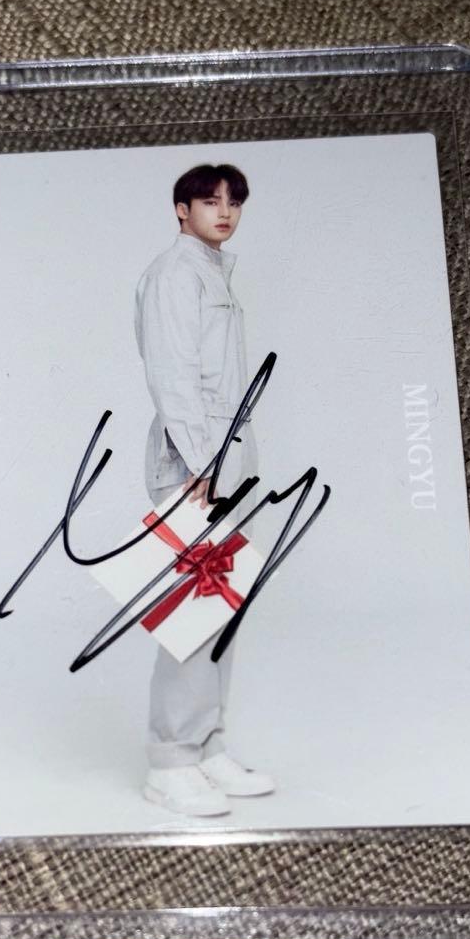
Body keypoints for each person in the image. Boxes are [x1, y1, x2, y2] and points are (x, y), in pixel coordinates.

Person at [133, 163, 275, 817]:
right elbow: (172, 374)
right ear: (180, 210)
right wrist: (200, 462)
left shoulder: (214, 273)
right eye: (210, 201)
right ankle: (171, 762)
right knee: (192, 611)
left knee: (222, 605)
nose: (225, 211)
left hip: (226, 459)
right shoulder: (174, 274)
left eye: (233, 202)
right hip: (195, 465)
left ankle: (207, 744)